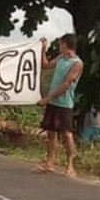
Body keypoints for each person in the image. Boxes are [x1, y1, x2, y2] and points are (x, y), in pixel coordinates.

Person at [34, 34, 84, 177]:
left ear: (66, 45)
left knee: (67, 134)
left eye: (61, 44)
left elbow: (66, 84)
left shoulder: (77, 63)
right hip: (53, 102)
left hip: (64, 104)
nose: (59, 47)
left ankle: (70, 165)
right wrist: (43, 49)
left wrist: (47, 98)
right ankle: (49, 162)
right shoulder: (61, 58)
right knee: (51, 132)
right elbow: (45, 65)